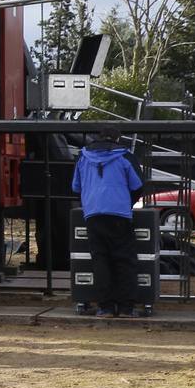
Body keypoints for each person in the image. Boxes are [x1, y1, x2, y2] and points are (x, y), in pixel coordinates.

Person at [72, 124, 145, 317]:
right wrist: (127, 202)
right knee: (125, 260)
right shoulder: (125, 156)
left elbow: (76, 187)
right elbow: (138, 185)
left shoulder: (82, 157)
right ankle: (126, 308)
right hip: (119, 214)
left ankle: (105, 307)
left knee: (100, 260)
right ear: (117, 139)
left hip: (93, 214)